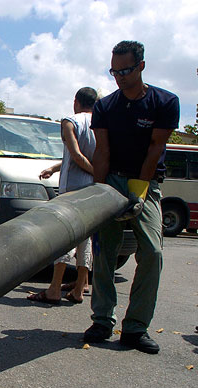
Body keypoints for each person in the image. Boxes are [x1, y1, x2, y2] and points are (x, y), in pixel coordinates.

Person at [83, 40, 179, 354]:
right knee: (105, 252)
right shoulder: (105, 105)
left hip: (147, 182)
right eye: (114, 71)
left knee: (152, 252)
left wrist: (138, 193)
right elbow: (103, 151)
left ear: (141, 66)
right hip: (111, 180)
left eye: (125, 70)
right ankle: (102, 320)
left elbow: (156, 148)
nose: (119, 76)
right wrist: (98, 196)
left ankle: (136, 328)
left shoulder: (165, 102)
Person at [28, 87, 98, 305]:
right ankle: (79, 288)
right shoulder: (100, 124)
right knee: (85, 237)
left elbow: (76, 155)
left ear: (76, 101)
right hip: (92, 190)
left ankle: (54, 288)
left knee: (64, 235)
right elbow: (77, 157)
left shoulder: (69, 121)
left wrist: (95, 172)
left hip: (72, 190)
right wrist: (55, 168)